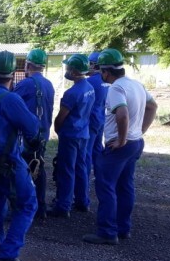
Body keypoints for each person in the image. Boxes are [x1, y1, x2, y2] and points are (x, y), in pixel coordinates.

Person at [83, 48, 157, 245]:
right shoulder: (136, 84)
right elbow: (152, 106)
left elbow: (122, 114)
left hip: (120, 146)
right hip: (135, 143)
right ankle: (124, 228)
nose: (100, 75)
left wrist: (122, 139)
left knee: (106, 186)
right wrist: (140, 130)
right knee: (125, 186)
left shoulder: (116, 88)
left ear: (107, 71)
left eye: (101, 72)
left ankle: (107, 232)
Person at [0, 50, 41, 261]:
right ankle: (8, 253)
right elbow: (32, 129)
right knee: (28, 203)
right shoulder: (11, 99)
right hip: (10, 163)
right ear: (13, 74)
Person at [49, 54, 95, 217]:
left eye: (69, 68)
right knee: (81, 167)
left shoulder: (72, 92)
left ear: (75, 71)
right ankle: (83, 202)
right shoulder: (90, 88)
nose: (67, 71)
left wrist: (57, 128)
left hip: (70, 135)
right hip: (84, 134)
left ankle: (63, 206)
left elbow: (62, 116)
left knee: (66, 169)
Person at [13, 48, 55, 220]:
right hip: (43, 134)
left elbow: (11, 105)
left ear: (28, 64)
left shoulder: (25, 84)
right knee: (39, 168)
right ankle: (41, 207)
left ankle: (24, 207)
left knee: (22, 169)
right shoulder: (49, 85)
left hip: (27, 136)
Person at [85, 51, 108, 179]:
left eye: (90, 63)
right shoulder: (106, 81)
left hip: (90, 120)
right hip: (101, 119)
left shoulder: (90, 82)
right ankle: (100, 176)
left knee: (87, 152)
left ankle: (85, 179)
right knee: (98, 150)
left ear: (95, 65)